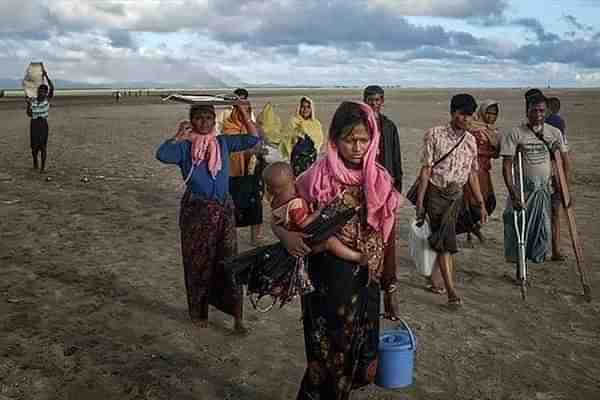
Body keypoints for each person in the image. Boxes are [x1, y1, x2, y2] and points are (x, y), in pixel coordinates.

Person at [272, 101, 403, 399]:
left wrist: (390, 287)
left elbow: (388, 236)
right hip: (326, 284)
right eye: (349, 140)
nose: (357, 147)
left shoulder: (380, 180)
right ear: (334, 140)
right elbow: (279, 216)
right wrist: (285, 237)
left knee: (360, 360)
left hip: (366, 284)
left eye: (363, 139)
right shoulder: (313, 179)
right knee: (326, 361)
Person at [156, 102, 261, 333]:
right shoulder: (184, 147)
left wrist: (243, 113)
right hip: (197, 211)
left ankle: (237, 317)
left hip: (223, 209)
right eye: (199, 118)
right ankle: (198, 312)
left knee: (230, 261)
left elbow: (254, 140)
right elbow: (162, 155)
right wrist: (178, 136)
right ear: (192, 121)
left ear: (215, 120)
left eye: (208, 118)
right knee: (198, 262)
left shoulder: (222, 142)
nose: (204, 122)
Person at [415, 94, 488, 306]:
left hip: (457, 197)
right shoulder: (435, 134)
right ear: (453, 113)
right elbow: (426, 169)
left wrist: (481, 203)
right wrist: (420, 202)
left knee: (441, 241)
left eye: (470, 115)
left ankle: (434, 279)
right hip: (436, 195)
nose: (466, 119)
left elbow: (472, 174)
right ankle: (451, 292)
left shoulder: (471, 141)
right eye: (462, 114)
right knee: (446, 243)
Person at [501, 90, 569, 266]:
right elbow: (507, 165)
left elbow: (563, 161)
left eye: (541, 110)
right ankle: (520, 268)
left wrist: (564, 188)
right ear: (527, 111)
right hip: (524, 191)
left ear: (546, 111)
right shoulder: (516, 133)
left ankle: (536, 257)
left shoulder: (554, 133)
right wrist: (513, 193)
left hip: (544, 190)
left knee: (542, 231)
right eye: (534, 110)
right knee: (518, 229)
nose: (538, 114)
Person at [263, 161, 368, 268]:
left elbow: (276, 214)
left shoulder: (377, 176)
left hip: (313, 244)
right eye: (348, 142)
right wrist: (284, 235)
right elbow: (278, 220)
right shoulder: (314, 175)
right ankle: (357, 257)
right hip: (310, 244)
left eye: (364, 142)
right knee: (329, 243)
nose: (357, 147)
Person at [363, 85, 403, 301]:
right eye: (370, 99)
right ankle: (369, 274)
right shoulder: (358, 125)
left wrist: (397, 191)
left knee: (387, 234)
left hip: (386, 188)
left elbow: (396, 159)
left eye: (377, 100)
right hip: (363, 187)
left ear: (382, 101)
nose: (374, 103)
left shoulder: (389, 126)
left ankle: (387, 278)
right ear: (364, 100)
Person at [222, 93, 264, 245]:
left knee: (256, 203)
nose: (242, 113)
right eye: (240, 110)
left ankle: (256, 237)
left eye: (246, 110)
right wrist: (249, 151)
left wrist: (258, 151)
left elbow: (261, 143)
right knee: (234, 204)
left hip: (253, 170)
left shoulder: (255, 127)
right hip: (234, 172)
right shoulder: (228, 126)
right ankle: (230, 236)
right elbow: (231, 149)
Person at [458, 100, 501, 243]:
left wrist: (488, 151)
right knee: (471, 203)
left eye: (494, 113)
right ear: (482, 112)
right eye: (488, 112)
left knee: (488, 203)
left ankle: (473, 229)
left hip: (484, 171)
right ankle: (473, 232)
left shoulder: (493, 131)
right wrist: (486, 152)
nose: (491, 116)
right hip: (472, 171)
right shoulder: (472, 129)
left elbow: (496, 153)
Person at [545, 96, 571, 261]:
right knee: (554, 214)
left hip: (548, 174)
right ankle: (555, 249)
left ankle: (551, 249)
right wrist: (565, 185)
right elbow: (564, 158)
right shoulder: (557, 123)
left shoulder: (547, 123)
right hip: (554, 174)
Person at [280, 96, 324, 176]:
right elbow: (286, 138)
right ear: (299, 108)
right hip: (297, 158)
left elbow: (319, 140)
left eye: (308, 107)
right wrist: (297, 135)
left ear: (311, 109)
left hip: (311, 158)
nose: (305, 110)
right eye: (303, 107)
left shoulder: (316, 124)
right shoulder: (294, 121)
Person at [26, 65, 54, 173]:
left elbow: (52, 87)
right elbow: (29, 114)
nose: (42, 93)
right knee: (34, 148)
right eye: (41, 91)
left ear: (46, 93)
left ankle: (42, 167)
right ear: (38, 92)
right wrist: (28, 105)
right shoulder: (32, 101)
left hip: (43, 125)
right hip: (34, 124)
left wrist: (46, 75)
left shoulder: (47, 100)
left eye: (44, 91)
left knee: (43, 147)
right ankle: (35, 162)